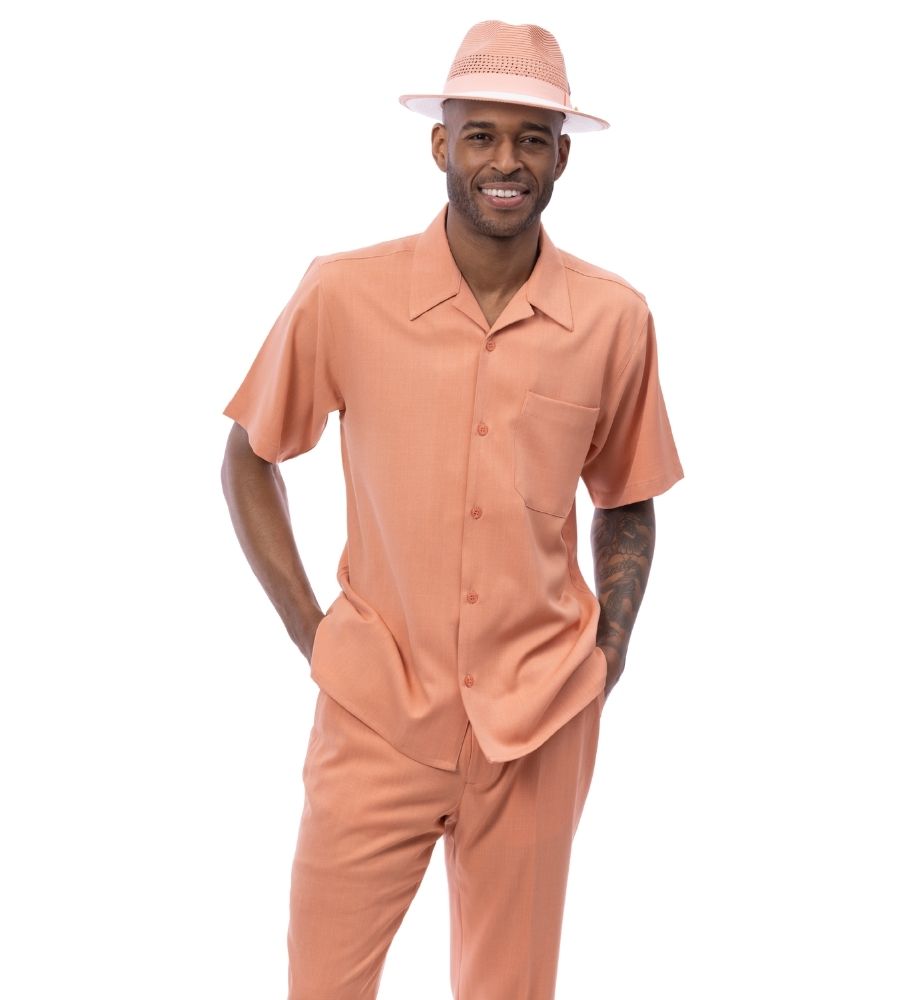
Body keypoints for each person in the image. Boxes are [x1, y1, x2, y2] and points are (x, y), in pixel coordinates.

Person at [220, 19, 684, 1000]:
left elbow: (628, 496)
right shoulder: (344, 293)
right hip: (375, 712)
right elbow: (249, 457)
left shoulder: (614, 319)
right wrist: (315, 635)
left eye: (531, 139)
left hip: (540, 720)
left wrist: (609, 654)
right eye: (481, 134)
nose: (505, 161)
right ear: (441, 144)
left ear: (562, 156)